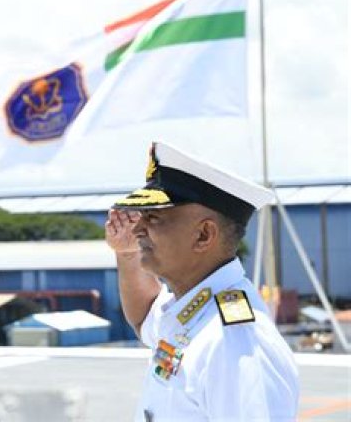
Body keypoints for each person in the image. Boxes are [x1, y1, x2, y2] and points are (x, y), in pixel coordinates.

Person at [105, 141, 299, 421]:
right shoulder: (194, 309)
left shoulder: (235, 341)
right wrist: (127, 254)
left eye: (154, 217)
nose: (137, 230)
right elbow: (145, 316)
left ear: (204, 235)